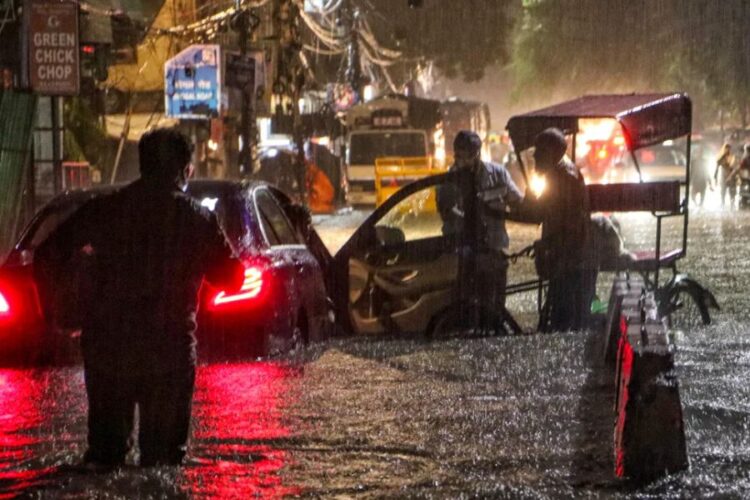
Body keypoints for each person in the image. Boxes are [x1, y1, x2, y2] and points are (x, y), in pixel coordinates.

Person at [35, 128, 244, 468]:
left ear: (142, 166)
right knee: (163, 464)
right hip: (169, 353)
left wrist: (55, 313)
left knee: (104, 461)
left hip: (107, 350)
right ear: (185, 170)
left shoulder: (104, 210)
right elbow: (232, 277)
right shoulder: (196, 218)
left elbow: (46, 254)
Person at [437, 130, 523, 327]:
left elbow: (518, 203)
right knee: (464, 310)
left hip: (493, 250)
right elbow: (445, 214)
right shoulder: (447, 182)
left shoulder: (498, 175)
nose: (459, 160)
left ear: (477, 153)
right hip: (461, 255)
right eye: (457, 154)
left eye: (464, 155)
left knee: (494, 310)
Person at [522, 127, 591, 332]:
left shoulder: (563, 178)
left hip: (567, 258)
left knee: (562, 321)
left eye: (539, 154)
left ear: (552, 153)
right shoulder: (558, 174)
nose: (535, 159)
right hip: (563, 253)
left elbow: (539, 214)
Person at [714, 143, 739, 208]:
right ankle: (722, 203)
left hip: (731, 175)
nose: (727, 150)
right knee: (723, 190)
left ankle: (732, 203)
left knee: (732, 191)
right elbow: (717, 167)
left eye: (728, 148)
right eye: (726, 148)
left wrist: (733, 175)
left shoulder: (732, 157)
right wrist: (715, 177)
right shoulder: (721, 157)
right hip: (723, 175)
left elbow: (735, 167)